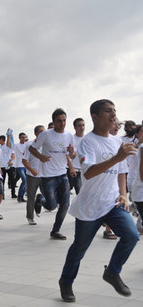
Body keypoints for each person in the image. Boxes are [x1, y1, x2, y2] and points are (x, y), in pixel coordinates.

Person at [59, 99, 139, 302]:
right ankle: (66, 282)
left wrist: (123, 194)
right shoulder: (87, 142)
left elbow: (121, 172)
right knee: (79, 249)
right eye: (107, 111)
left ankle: (112, 272)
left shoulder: (116, 142)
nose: (113, 114)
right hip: (90, 206)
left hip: (112, 203)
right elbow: (89, 173)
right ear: (94, 116)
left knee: (131, 236)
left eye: (114, 110)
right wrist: (117, 158)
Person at [29, 108, 76, 240]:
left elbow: (71, 155)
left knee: (65, 204)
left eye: (64, 120)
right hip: (48, 176)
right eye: (59, 121)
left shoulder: (69, 136)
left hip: (62, 174)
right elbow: (32, 148)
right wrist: (40, 156)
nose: (62, 123)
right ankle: (40, 199)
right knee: (51, 205)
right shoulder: (45, 134)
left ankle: (55, 231)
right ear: (53, 122)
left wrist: (72, 152)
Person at [22, 125, 46, 225]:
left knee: (49, 196)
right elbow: (24, 160)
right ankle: (30, 217)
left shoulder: (47, 145)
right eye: (40, 132)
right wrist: (32, 170)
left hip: (45, 175)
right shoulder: (29, 145)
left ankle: (39, 201)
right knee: (31, 196)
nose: (43, 134)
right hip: (32, 175)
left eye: (44, 132)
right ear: (35, 134)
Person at [69, 118, 85, 195]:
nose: (82, 128)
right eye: (79, 125)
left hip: (85, 171)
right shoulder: (71, 139)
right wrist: (72, 152)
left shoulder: (87, 139)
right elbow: (72, 156)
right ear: (75, 127)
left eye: (83, 125)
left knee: (81, 194)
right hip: (74, 170)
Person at [13, 132, 28, 202]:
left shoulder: (27, 145)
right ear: (19, 138)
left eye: (24, 137)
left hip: (26, 165)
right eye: (22, 137)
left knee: (26, 181)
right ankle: (19, 196)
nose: (23, 138)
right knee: (24, 180)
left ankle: (21, 196)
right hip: (19, 165)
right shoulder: (16, 145)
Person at [0, 135, 13, 199]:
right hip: (2, 166)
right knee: (2, 181)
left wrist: (8, 136)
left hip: (9, 165)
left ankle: (13, 194)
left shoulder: (8, 146)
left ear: (1, 139)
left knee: (12, 180)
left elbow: (13, 155)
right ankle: (2, 195)